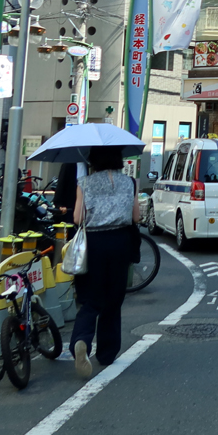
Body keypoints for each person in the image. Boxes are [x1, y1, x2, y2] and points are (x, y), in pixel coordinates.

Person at [69, 146, 141, 379]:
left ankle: (81, 340)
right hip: (120, 242)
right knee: (114, 298)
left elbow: (78, 218)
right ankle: (107, 353)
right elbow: (136, 217)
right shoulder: (130, 182)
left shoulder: (85, 183)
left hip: (94, 243)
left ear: (94, 160)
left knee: (90, 298)